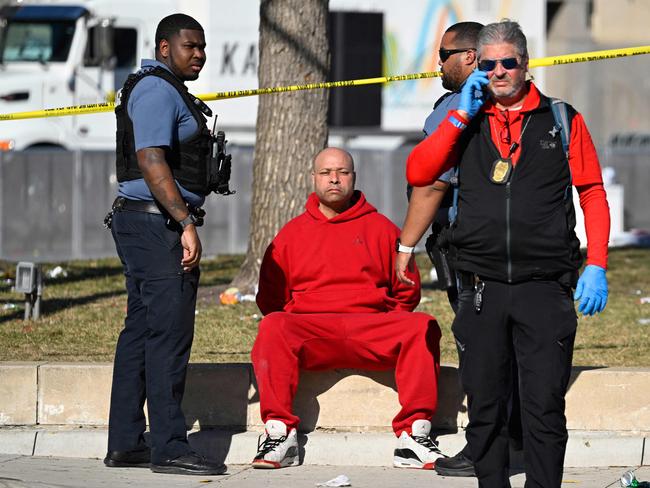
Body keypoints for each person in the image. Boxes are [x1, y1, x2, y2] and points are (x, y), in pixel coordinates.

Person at [406, 19, 610, 488]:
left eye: (508, 63)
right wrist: (460, 112)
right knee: (486, 409)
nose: (499, 72)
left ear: (525, 63)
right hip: (480, 287)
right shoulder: (463, 117)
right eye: (489, 63)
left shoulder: (562, 119)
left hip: (545, 287)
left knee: (542, 409)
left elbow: (593, 193)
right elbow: (420, 171)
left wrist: (596, 263)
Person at [250, 147, 444, 470]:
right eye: (326, 173)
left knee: (421, 326)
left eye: (342, 172)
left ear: (353, 178)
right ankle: (280, 434)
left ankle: (414, 436)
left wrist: (383, 318)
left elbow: (407, 290)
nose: (334, 179)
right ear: (313, 179)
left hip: (371, 329)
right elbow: (271, 299)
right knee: (273, 326)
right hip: (313, 333)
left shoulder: (382, 228)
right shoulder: (291, 235)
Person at [397, 21, 522, 479]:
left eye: (445, 53)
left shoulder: (455, 109)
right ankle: (517, 438)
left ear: (470, 57)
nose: (439, 63)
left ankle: (485, 448)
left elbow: (430, 182)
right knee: (512, 347)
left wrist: (405, 246)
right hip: (517, 249)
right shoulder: (524, 107)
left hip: (468, 248)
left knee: (480, 350)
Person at [103, 14, 226, 476]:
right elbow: (151, 158)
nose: (199, 54)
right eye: (190, 46)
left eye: (203, 47)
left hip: (145, 224)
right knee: (168, 336)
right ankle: (170, 446)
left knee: (140, 332)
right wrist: (184, 222)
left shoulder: (163, 86)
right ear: (163, 47)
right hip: (157, 227)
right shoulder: (156, 89)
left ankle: (127, 442)